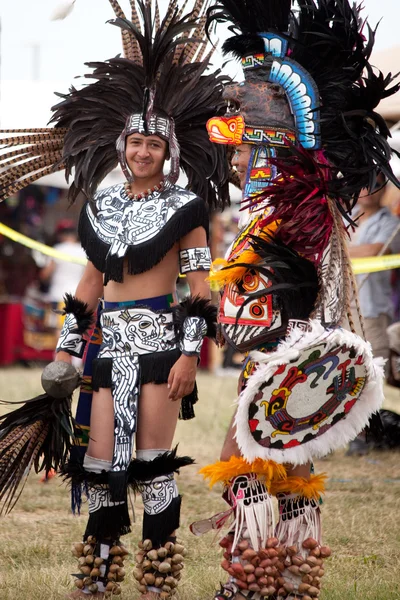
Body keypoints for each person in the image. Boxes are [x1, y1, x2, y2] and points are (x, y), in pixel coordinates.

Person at [0, 2, 229, 599]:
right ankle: (98, 577)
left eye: (153, 143)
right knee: (99, 467)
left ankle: (158, 580)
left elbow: (200, 292)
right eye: (135, 143)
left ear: (169, 149)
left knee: (153, 464)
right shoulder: (100, 207)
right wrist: (67, 355)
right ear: (122, 146)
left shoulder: (187, 209)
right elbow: (87, 287)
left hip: (157, 347)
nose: (142, 152)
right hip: (107, 351)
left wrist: (186, 357)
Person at [189, 1, 400, 599]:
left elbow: (282, 292)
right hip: (292, 356)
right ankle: (283, 577)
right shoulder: (287, 205)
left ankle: (256, 576)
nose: (235, 162)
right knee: (287, 468)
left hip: (287, 353)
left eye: (242, 151)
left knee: (248, 463)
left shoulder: (295, 206)